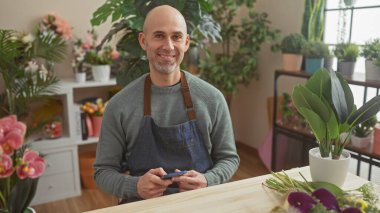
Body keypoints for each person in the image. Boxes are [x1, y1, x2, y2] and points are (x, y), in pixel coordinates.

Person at [93, 5, 240, 203]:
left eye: (176, 37)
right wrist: (135, 186)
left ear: (186, 42)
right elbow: (103, 172)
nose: (169, 46)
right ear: (144, 41)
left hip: (202, 203)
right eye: (159, 36)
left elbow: (229, 158)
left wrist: (207, 180)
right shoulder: (119, 106)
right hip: (142, 205)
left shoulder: (212, 99)